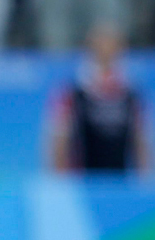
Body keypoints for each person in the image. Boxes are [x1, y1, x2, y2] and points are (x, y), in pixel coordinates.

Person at [48, 23, 151, 174]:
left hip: (120, 182)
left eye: (111, 43)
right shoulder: (74, 91)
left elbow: (140, 138)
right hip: (85, 183)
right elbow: (60, 138)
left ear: (122, 48)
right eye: (100, 43)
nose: (105, 49)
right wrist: (61, 179)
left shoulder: (131, 92)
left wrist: (143, 178)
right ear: (89, 46)